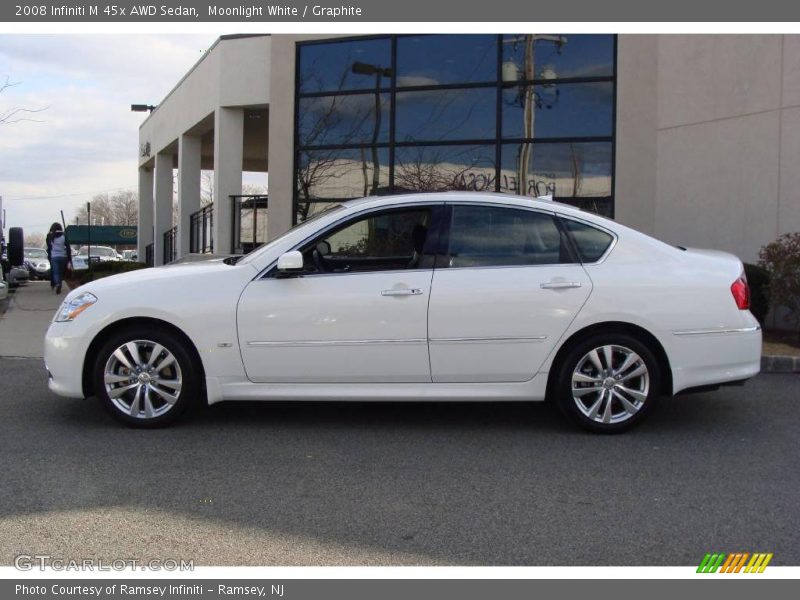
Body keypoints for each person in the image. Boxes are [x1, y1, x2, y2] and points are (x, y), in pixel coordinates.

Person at [46, 222, 72, 294]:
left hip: (54, 256)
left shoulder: (50, 236)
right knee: (60, 272)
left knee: (56, 272)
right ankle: (59, 283)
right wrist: (69, 258)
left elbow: (49, 247)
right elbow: (68, 247)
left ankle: (58, 284)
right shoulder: (64, 236)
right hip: (63, 256)